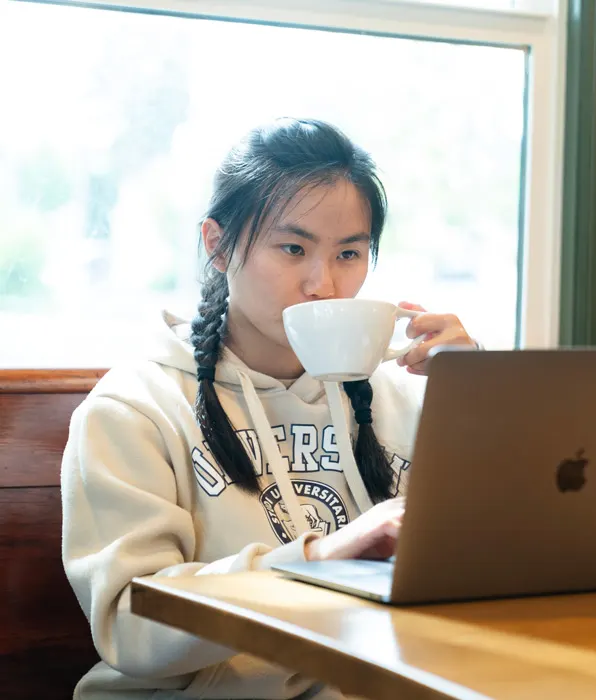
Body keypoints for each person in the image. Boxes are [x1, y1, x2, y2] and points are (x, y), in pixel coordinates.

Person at [61, 117, 477, 699]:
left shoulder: (404, 393)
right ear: (218, 245)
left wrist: (476, 400)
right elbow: (131, 629)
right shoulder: (136, 408)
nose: (324, 283)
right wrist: (320, 558)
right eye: (293, 247)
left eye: (350, 252)